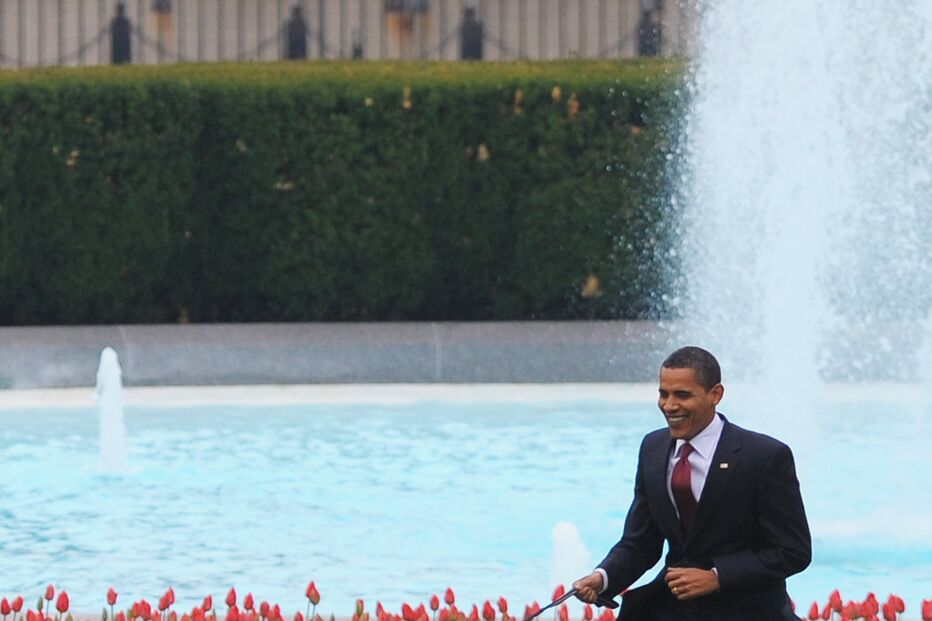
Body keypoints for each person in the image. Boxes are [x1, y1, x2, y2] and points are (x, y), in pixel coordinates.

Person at [572, 346, 811, 621]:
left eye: (682, 395)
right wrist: (603, 577)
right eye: (663, 394)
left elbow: (793, 551)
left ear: (715, 395)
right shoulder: (653, 447)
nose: (669, 406)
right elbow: (641, 542)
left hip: (748, 611)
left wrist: (717, 577)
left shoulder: (764, 457)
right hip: (669, 610)